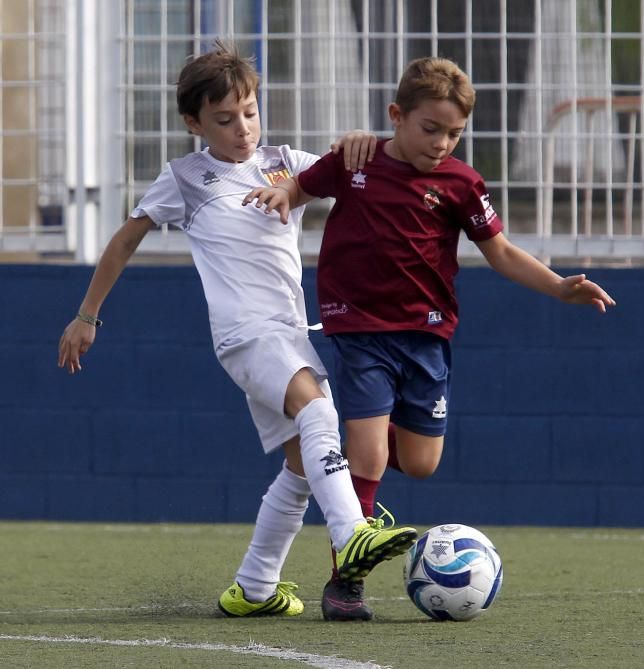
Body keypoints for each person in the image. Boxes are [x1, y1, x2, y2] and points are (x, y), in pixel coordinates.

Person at [244, 56, 617, 621]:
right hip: (360, 328)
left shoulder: (463, 184)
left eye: (455, 133)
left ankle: (343, 459)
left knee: (420, 463)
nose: (442, 142)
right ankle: (346, 582)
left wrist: (559, 287)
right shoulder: (356, 159)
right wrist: (281, 197)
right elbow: (300, 186)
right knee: (369, 450)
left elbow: (502, 252)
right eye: (431, 128)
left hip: (425, 338)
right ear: (397, 116)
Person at [57, 41, 417, 619]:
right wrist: (86, 315)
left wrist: (363, 142)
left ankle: (253, 588)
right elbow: (125, 241)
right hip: (246, 334)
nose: (242, 128)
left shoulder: (286, 163)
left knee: (303, 464)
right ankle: (352, 532)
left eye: (249, 112)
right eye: (224, 119)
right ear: (194, 123)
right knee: (321, 414)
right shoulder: (185, 178)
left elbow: (360, 165)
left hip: (290, 332)